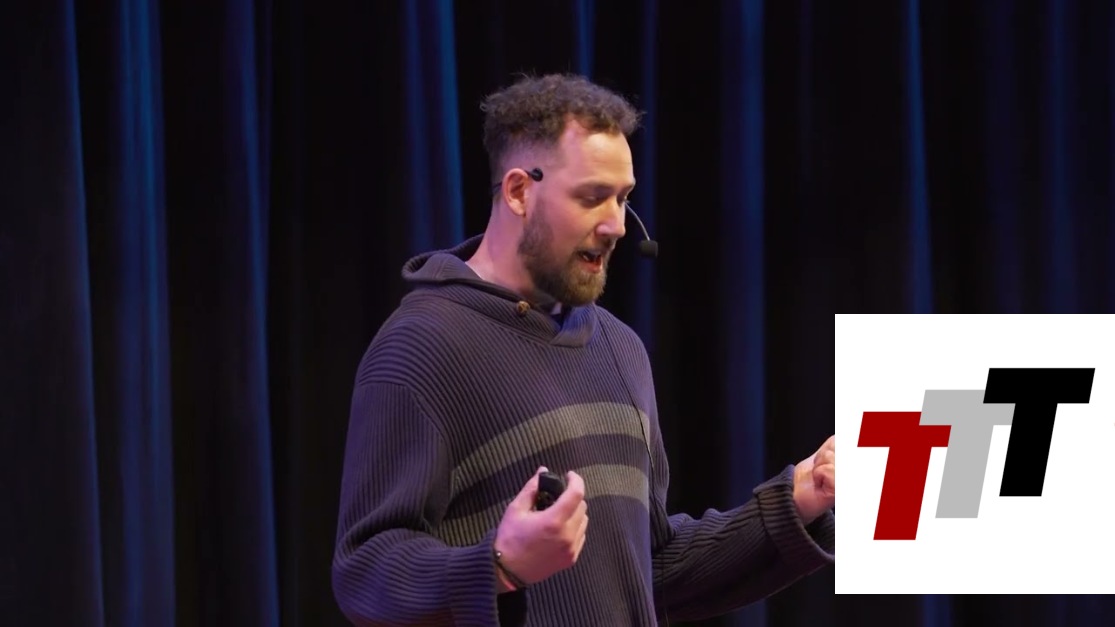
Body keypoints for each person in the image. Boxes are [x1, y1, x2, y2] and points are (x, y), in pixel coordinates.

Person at [332, 73, 836, 626]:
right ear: (519, 191)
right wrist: (497, 565)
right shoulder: (422, 346)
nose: (617, 225)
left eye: (623, 198)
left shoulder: (619, 348)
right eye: (593, 197)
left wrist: (798, 500)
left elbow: (651, 570)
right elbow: (364, 573)